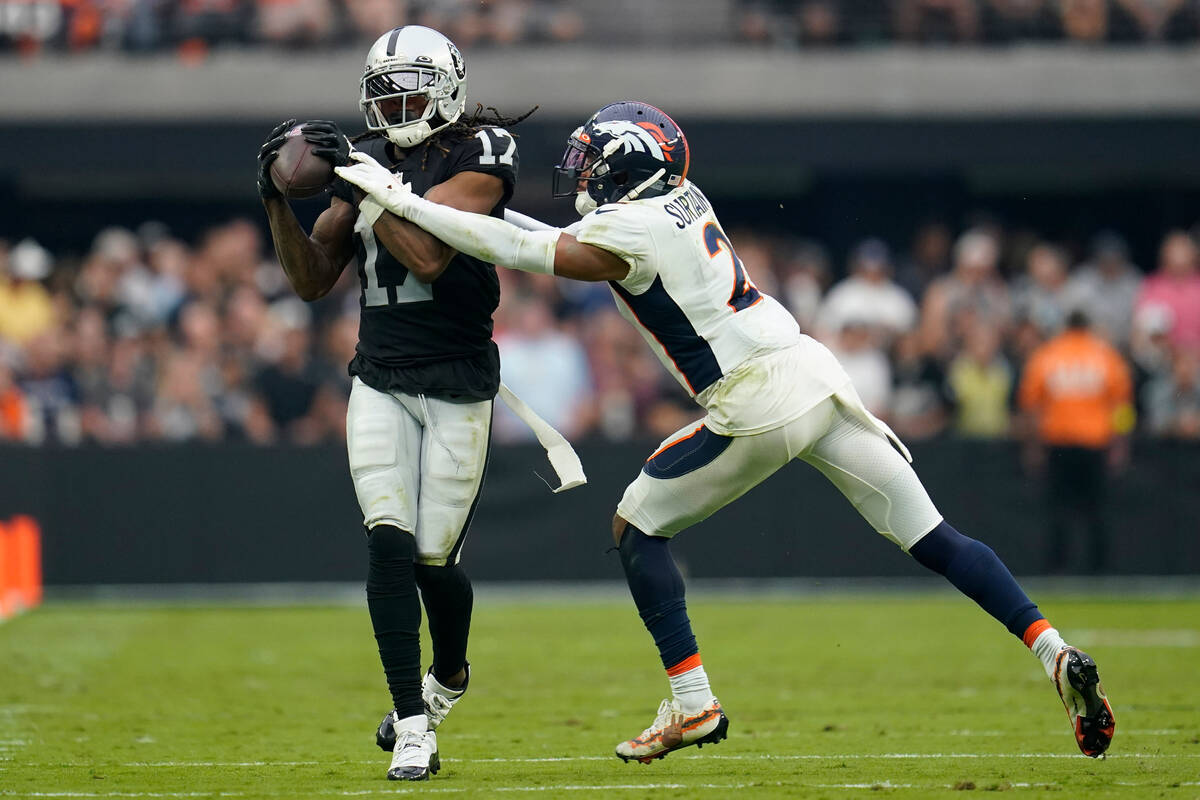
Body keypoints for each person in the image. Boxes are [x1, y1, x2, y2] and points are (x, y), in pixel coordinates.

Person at [335, 100, 1117, 764]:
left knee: (636, 527)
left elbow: (522, 250)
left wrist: (395, 196)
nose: (585, 174)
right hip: (815, 373)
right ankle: (1053, 650)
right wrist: (446, 204)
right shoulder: (683, 197)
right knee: (936, 536)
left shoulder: (629, 231)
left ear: (628, 166)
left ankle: (694, 703)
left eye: (596, 161)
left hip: (753, 400)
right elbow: (525, 232)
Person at [257, 25, 529, 781]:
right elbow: (312, 278)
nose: (395, 109)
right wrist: (274, 199)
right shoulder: (366, 163)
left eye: (409, 94)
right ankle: (413, 723)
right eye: (384, 97)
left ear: (447, 91)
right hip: (379, 374)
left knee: (436, 561)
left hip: (458, 380)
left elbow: (432, 254)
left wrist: (368, 181)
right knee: (387, 542)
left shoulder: (483, 152)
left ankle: (451, 673)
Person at [1018, 309, 1134, 574]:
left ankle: (1057, 569)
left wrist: (1032, 446)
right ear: (1088, 327)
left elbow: (1030, 405)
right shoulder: (1105, 356)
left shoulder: (1048, 355)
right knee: (1097, 510)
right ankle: (1099, 570)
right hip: (1095, 444)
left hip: (1058, 443)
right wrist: (1120, 443)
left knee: (1057, 509)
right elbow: (1122, 406)